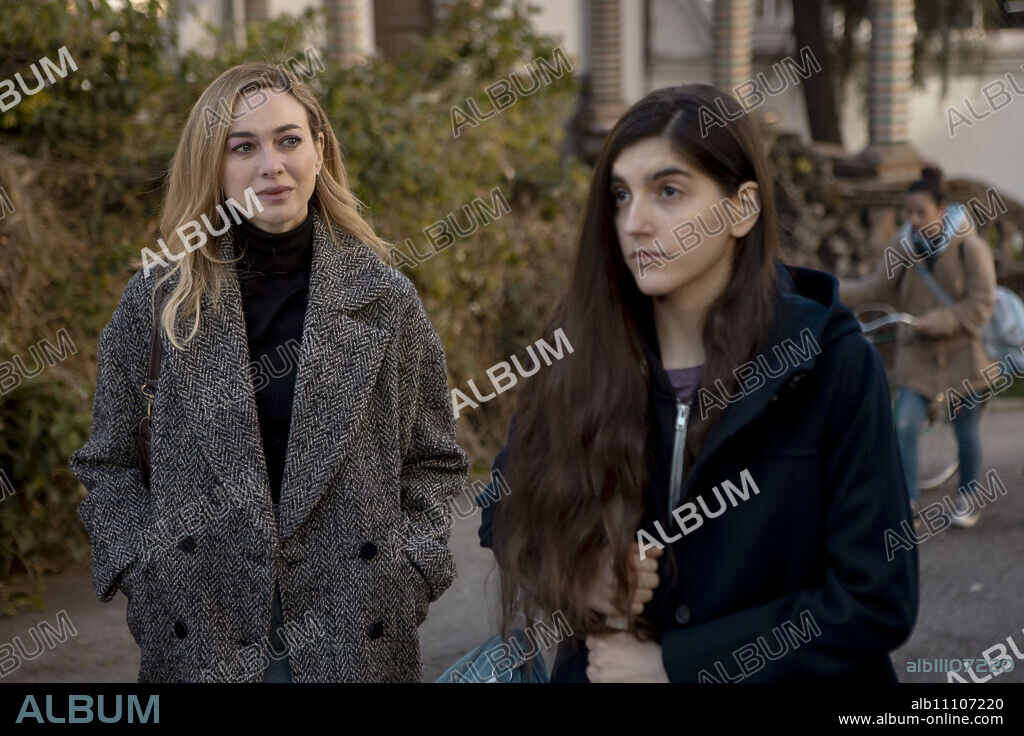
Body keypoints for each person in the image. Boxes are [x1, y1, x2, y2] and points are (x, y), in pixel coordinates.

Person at [476, 84, 918, 683]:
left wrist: (679, 666)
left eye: (669, 191)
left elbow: (875, 599)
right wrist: (579, 573)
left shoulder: (831, 365)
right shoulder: (576, 358)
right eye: (619, 195)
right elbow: (502, 509)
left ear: (743, 209)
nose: (634, 222)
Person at [70, 63, 469, 682]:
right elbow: (108, 465)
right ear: (213, 164)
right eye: (243, 146)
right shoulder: (156, 303)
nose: (271, 165)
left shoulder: (385, 301)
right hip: (204, 637)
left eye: (288, 139)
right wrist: (150, 584)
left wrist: (407, 574)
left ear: (319, 150)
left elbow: (435, 462)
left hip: (354, 636)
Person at [840, 167, 997, 529]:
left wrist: (936, 321)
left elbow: (980, 305)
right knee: (904, 424)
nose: (911, 219)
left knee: (964, 427)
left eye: (920, 212)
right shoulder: (903, 245)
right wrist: (828, 288)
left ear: (942, 208)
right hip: (918, 354)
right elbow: (875, 289)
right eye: (906, 212)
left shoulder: (970, 249)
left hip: (962, 353)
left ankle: (969, 495)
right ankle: (907, 500)